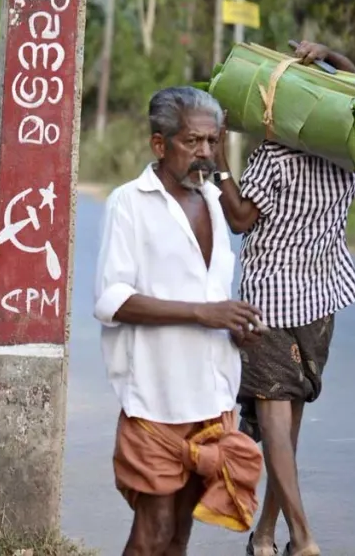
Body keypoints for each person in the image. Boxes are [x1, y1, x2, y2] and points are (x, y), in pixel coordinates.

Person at [94, 86, 265, 556]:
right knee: (152, 534)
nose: (205, 153)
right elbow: (112, 300)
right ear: (159, 144)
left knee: (179, 538)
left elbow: (211, 298)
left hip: (212, 403)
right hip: (155, 403)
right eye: (192, 142)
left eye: (212, 142)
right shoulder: (129, 203)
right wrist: (203, 314)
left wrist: (235, 328)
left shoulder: (212, 200)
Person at [214, 42, 355, 556]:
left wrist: (218, 166)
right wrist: (332, 55)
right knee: (287, 430)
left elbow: (239, 220)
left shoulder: (274, 157)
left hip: (272, 304)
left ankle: (301, 538)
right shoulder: (350, 158)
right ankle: (265, 534)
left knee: (278, 431)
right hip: (323, 299)